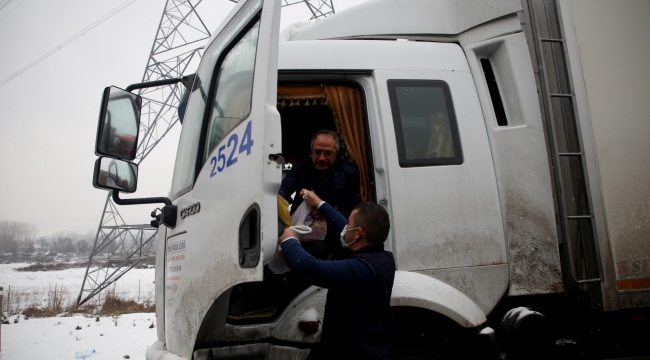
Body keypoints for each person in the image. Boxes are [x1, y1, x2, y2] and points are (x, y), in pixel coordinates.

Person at [279, 189, 395, 360]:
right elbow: (343, 227)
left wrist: (287, 237)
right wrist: (319, 203)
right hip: (366, 345)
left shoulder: (361, 270)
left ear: (358, 233)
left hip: (354, 352)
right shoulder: (382, 257)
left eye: (349, 223)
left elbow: (308, 267)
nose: (345, 227)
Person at [279, 130, 361, 257]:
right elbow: (283, 190)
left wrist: (327, 213)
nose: (322, 158)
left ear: (336, 153)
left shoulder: (349, 173)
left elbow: (353, 213)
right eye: (317, 152)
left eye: (328, 153)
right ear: (311, 150)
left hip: (333, 239)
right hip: (299, 232)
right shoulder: (300, 167)